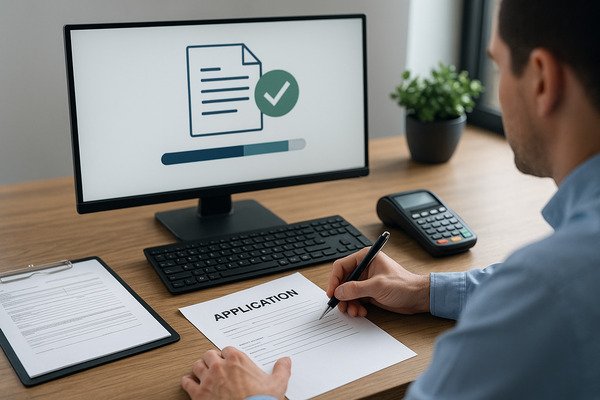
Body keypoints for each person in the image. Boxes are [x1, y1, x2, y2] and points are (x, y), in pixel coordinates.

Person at [181, 0, 600, 398]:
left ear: (543, 79)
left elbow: (541, 295)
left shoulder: (547, 290)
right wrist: (422, 290)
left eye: (498, 66)